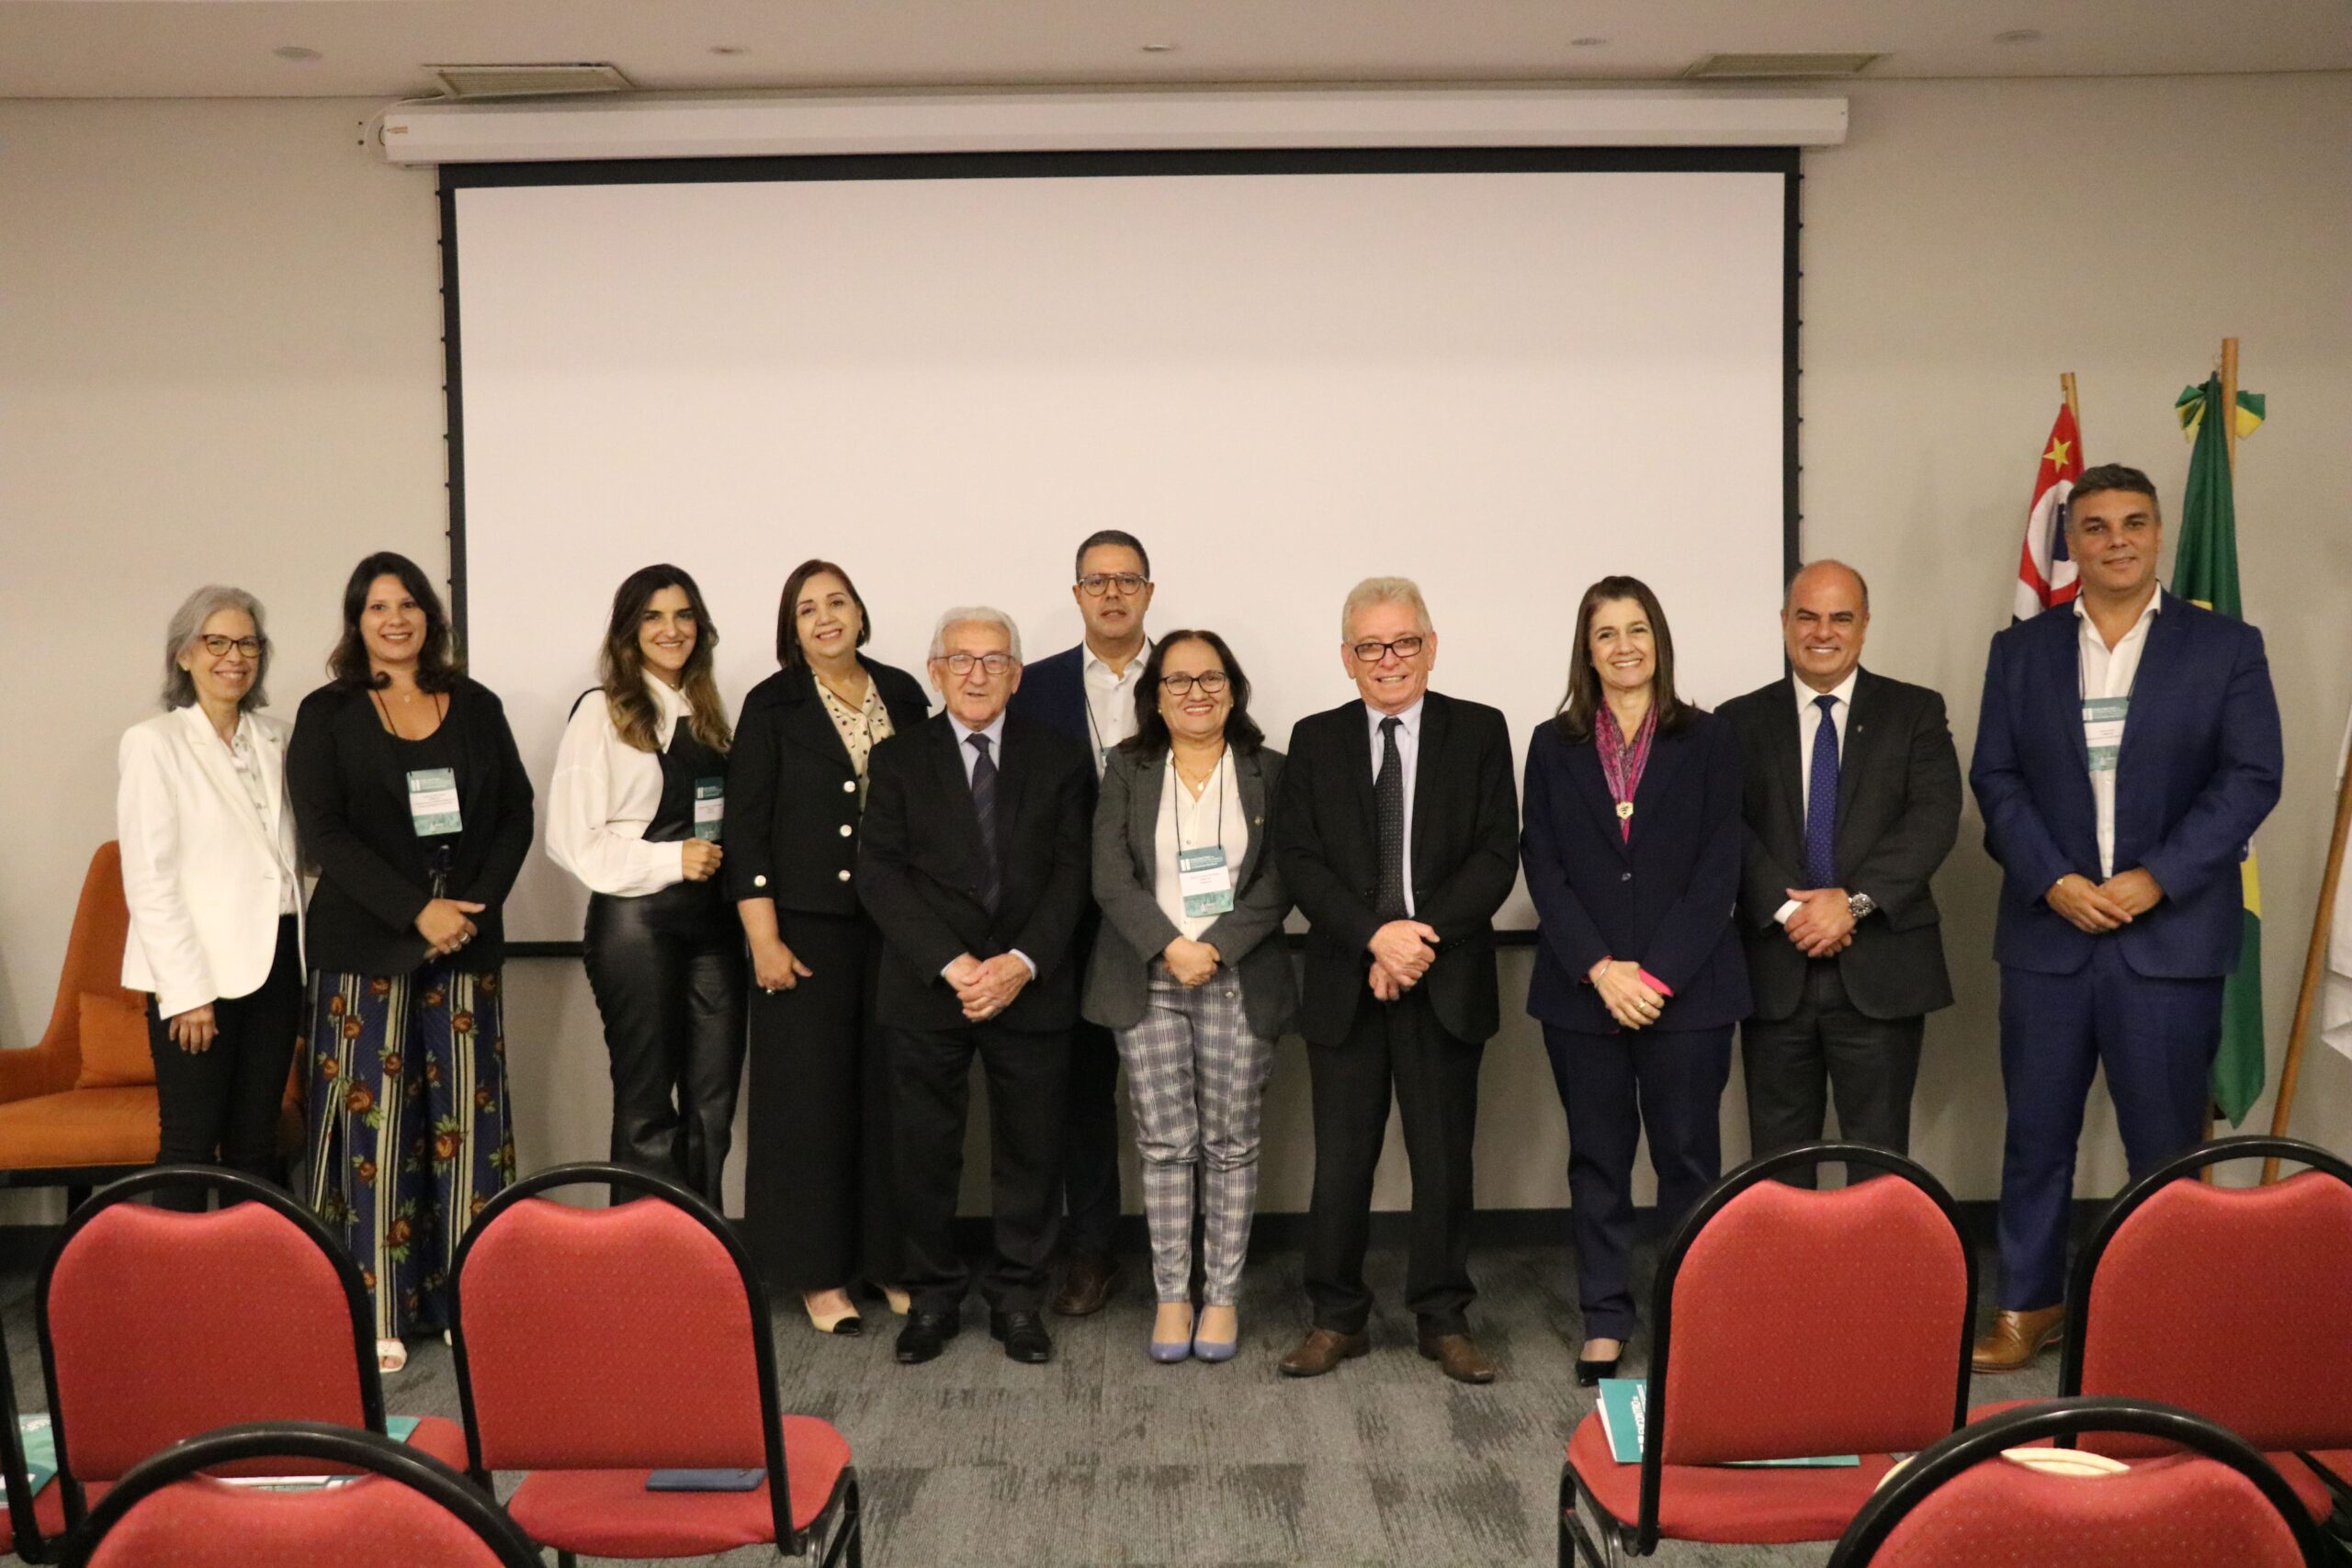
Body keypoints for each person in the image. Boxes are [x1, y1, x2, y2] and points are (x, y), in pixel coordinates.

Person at [1969, 463, 2281, 1371]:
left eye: (2133, 523)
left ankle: (2166, 1315)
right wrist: (2052, 879)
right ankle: (2029, 1306)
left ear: (2157, 534)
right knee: (2034, 1136)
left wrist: (2158, 878)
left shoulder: (2223, 647)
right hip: (2047, 937)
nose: (2115, 540)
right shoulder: (2019, 652)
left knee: (2163, 1149)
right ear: (2070, 541)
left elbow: (2251, 776)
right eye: (2095, 525)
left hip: (2167, 938)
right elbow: (1995, 779)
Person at [288, 551, 532, 1373]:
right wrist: (413, 910)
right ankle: (378, 1307)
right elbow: (325, 835)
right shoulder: (327, 713)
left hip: (464, 941)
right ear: (357, 622)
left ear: (430, 615)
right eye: (376, 607)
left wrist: (469, 908)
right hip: (366, 948)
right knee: (377, 1129)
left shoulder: (476, 704)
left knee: (469, 1131)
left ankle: (470, 1302)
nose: (395, 619)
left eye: (409, 604)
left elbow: (516, 814)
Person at [1272, 577, 1517, 1384]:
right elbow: (1300, 859)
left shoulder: (1479, 731)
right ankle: (1336, 1315)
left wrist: (1417, 940)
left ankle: (1443, 1316)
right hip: (1349, 978)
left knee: (1444, 1158)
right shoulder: (1314, 739)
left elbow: (1495, 854)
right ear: (1347, 658)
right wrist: (1374, 935)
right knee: (1341, 1159)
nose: (1389, 660)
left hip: (1443, 979)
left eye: (1404, 642)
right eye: (1371, 646)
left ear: (1431, 647)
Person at [1521, 576, 1747, 1386]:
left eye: (1638, 629)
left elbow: (1719, 868)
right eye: (1607, 632)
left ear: (1660, 640)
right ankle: (1606, 1317)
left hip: (1687, 991)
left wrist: (1654, 975)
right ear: (1587, 649)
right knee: (1597, 1159)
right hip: (1584, 992)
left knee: (1689, 1159)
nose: (1625, 645)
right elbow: (1542, 866)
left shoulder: (1710, 739)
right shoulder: (1554, 745)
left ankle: (1691, 1316)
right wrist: (1601, 969)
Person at [857, 607, 1091, 1367]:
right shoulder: (897, 760)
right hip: (931, 986)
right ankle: (931, 1299)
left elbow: (1072, 874)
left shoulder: (1059, 758)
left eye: (995, 660)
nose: (978, 673)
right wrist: (955, 965)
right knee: (925, 1151)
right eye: (961, 659)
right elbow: (880, 874)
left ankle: (1019, 1298)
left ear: (1017, 675)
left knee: (1031, 1151)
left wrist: (1020, 961)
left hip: (1031, 985)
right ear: (935, 671)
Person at [728, 559, 930, 1335]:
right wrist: (763, 938)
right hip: (803, 933)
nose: (824, 617)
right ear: (792, 626)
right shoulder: (771, 704)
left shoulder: (904, 692)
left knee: (888, 1097)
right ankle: (818, 1275)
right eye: (806, 608)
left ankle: (887, 1259)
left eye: (836, 601)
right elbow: (745, 828)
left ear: (859, 610)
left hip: (896, 928)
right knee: (808, 1103)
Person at [1085, 630, 1295, 1364]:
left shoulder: (1270, 770)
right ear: (1156, 695)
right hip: (1148, 977)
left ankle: (1224, 1298)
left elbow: (1282, 878)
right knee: (1166, 1143)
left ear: (1233, 689)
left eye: (1210, 678)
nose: (1195, 691)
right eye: (1177, 680)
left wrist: (1216, 947)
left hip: (1238, 977)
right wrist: (1171, 945)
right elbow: (1109, 874)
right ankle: (1173, 1295)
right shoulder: (1127, 767)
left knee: (1232, 1145)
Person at [1716, 560, 1961, 1179]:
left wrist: (1849, 902)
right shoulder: (1736, 721)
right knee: (1777, 1163)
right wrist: (1791, 907)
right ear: (1783, 623)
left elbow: (1933, 817)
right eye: (1807, 615)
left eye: (1840, 617)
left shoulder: (1915, 711)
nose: (1822, 631)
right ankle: (1790, 1280)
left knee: (1879, 1162)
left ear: (1865, 625)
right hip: (1775, 968)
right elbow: (1725, 826)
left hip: (1881, 968)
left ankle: (1875, 1280)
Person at [548, 565, 744, 1211]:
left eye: (684, 615)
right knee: (646, 1105)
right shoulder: (602, 712)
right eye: (654, 617)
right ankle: (644, 1270)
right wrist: (669, 860)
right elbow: (571, 840)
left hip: (713, 927)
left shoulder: (710, 715)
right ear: (629, 631)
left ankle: (708, 1259)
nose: (671, 629)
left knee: (713, 1108)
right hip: (637, 929)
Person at [1006, 527, 1155, 1317]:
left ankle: (1186, 1257)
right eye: (1095, 581)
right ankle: (1091, 1250)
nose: (1111, 593)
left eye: (1126, 579)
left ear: (1148, 593)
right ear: (1076, 596)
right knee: (1083, 1096)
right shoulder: (1034, 684)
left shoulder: (1188, 672)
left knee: (1179, 1095)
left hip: (1172, 920)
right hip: (1068, 922)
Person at [117, 586, 304, 1213]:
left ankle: (251, 1294)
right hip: (198, 978)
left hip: (277, 963)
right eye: (215, 641)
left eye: (247, 642)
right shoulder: (155, 743)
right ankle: (173, 1302)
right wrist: (186, 991)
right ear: (184, 655)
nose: (234, 656)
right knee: (191, 1145)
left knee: (257, 1144)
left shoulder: (279, 738)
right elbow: (150, 879)